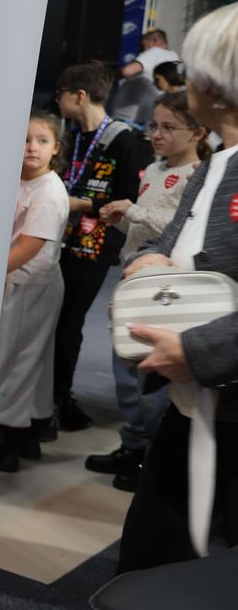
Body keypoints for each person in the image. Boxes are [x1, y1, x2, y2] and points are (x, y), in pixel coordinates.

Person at [23, 1, 238, 610]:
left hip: (219, 395)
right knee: (148, 554)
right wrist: (149, 262)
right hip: (195, 406)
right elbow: (172, 237)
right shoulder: (218, 165)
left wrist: (201, 351)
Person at [90, 92, 211, 489]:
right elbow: (145, 226)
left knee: (152, 380)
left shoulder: (199, 175)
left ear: (198, 132)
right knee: (125, 370)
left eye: (168, 127)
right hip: (132, 280)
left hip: (163, 291)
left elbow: (178, 230)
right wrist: (123, 219)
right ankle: (135, 443)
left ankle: (155, 458)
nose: (157, 134)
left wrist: (133, 210)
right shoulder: (155, 169)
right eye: (153, 126)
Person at [51, 62, 152, 433]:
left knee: (69, 322)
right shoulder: (70, 136)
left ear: (79, 95)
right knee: (49, 320)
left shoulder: (125, 141)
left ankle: (60, 399)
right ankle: (45, 395)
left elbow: (129, 197)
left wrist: (81, 204)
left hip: (93, 247)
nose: (57, 102)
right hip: (58, 239)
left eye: (61, 95)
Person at [0, 111, 70, 472]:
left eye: (42, 140)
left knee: (14, 360)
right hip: (20, 279)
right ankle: (31, 430)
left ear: (56, 148)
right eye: (25, 139)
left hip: (29, 282)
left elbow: (30, 246)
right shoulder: (19, 181)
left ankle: (5, 442)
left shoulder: (49, 192)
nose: (32, 147)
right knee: (31, 357)